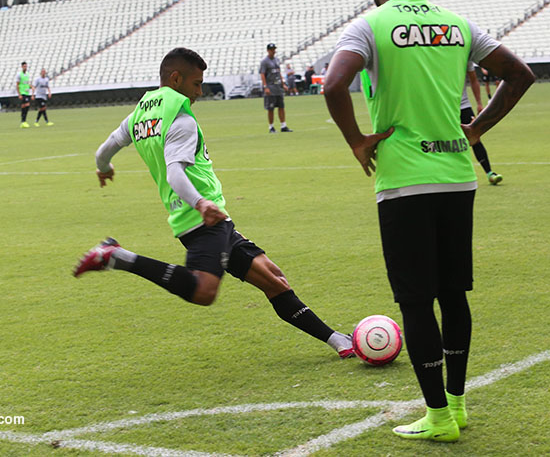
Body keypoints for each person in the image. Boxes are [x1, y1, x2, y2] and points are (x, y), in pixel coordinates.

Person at [323, 0, 534, 443]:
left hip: (404, 181)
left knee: (416, 302)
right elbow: (520, 74)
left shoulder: (369, 26)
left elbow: (333, 85)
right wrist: (476, 129)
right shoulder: (457, 24)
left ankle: (437, 416)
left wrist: (357, 142)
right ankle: (457, 405)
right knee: (454, 294)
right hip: (457, 176)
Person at [73, 47, 354, 360]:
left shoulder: (140, 113)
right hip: (201, 219)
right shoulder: (180, 119)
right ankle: (116, 256)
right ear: (176, 78)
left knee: (273, 278)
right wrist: (201, 203)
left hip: (213, 218)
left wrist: (103, 168)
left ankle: (338, 341)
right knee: (203, 291)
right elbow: (174, 173)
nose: (199, 91)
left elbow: (105, 149)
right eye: (196, 83)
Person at [462, 63, 502, 184]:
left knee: (474, 137)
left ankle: (489, 173)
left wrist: (479, 103)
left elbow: (474, 80)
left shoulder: (463, 55)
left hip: (463, 106)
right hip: (441, 107)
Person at [259, 43, 291, 133]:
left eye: (274, 49)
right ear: (268, 50)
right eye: (272, 49)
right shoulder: (264, 61)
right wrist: (265, 87)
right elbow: (262, 74)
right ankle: (271, 127)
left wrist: (283, 83)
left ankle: (283, 125)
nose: (274, 51)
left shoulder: (277, 60)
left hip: (278, 87)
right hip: (270, 87)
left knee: (281, 106)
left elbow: (278, 72)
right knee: (271, 108)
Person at [16, 61, 34, 128]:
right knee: (26, 105)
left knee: (24, 106)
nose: (25, 67)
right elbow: (17, 85)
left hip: (27, 92)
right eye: (24, 66)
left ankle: (23, 121)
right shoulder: (19, 74)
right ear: (22, 67)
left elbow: (26, 84)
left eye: (26, 66)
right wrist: (19, 94)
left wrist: (31, 86)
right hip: (22, 92)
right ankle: (23, 121)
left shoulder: (27, 74)